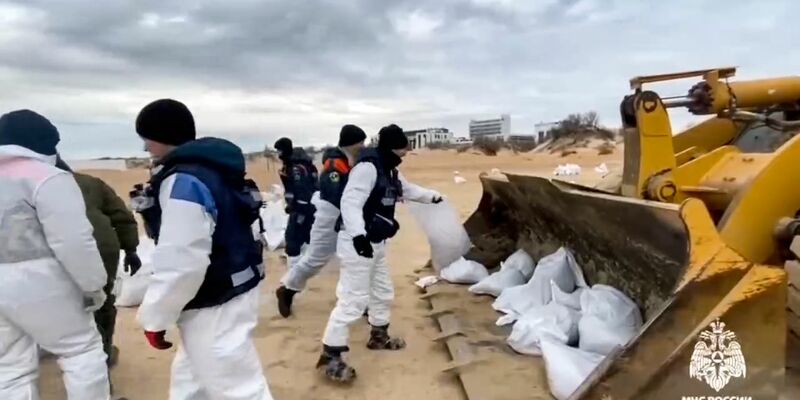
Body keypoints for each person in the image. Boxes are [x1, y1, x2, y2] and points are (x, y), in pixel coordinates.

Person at [132, 99, 273, 400]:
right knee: (191, 380)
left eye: (148, 139)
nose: (146, 148)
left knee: (239, 390)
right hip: (235, 285)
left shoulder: (183, 180)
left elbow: (182, 261)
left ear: (163, 136)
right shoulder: (215, 169)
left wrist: (155, 317)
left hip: (214, 299)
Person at [317, 124, 442, 382]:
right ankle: (330, 355)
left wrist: (433, 197)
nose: (405, 153)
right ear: (390, 147)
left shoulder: (389, 170)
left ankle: (379, 336)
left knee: (382, 291)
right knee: (353, 299)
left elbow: (408, 191)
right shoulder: (367, 168)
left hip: (377, 243)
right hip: (357, 244)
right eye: (402, 149)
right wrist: (358, 236)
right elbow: (350, 202)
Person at [0, 110, 110, 399]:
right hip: (40, 281)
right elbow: (73, 241)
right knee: (80, 351)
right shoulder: (47, 177)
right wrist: (93, 285)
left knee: (10, 367)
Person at [55, 156, 141, 368]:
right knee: (101, 304)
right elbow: (122, 216)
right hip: (100, 249)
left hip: (43, 256)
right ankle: (102, 354)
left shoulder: (17, 184)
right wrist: (130, 249)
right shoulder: (90, 183)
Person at [276, 125, 367, 317]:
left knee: (357, 260)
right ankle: (287, 289)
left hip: (348, 219)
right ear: (351, 143)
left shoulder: (352, 161)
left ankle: (360, 302)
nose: (363, 146)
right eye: (360, 142)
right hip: (329, 217)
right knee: (314, 259)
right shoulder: (334, 165)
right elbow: (335, 194)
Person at [273, 138, 318, 268]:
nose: (278, 154)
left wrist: (297, 208)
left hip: (301, 209)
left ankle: (294, 275)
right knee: (305, 239)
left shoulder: (296, 168)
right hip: (307, 208)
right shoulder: (299, 164)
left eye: (279, 151)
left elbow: (301, 190)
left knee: (292, 240)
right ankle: (303, 269)